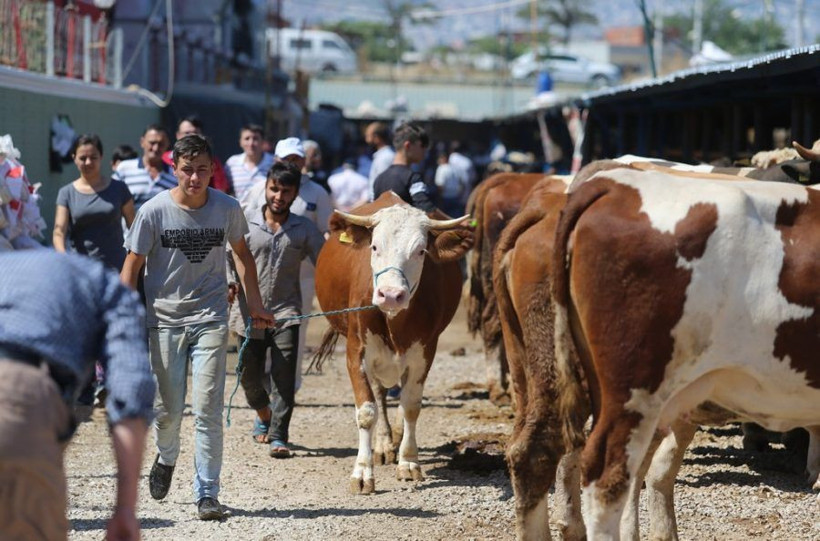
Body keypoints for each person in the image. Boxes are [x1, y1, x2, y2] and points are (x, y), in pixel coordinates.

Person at [120, 134, 275, 520]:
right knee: (169, 409)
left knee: (207, 407)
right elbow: (132, 267)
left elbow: (243, 256)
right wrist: (120, 319)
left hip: (210, 317)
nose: (195, 178)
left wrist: (254, 305)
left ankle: (207, 492)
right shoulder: (153, 212)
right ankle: (167, 455)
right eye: (187, 170)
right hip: (164, 320)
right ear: (175, 169)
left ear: (212, 170)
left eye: (202, 170)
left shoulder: (226, 208)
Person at [0, 250, 154, 541]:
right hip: (18, 404)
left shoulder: (7, 266)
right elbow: (130, 391)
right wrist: (125, 508)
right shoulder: (110, 290)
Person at [229, 161, 324, 457]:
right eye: (274, 189)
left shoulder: (304, 229)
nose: (278, 196)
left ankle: (279, 435)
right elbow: (228, 255)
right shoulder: (245, 221)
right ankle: (263, 413)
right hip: (248, 313)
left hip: (287, 313)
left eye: (286, 191)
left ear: (295, 194)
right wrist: (230, 282)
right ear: (266, 187)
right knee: (248, 375)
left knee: (283, 378)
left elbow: (326, 262)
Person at [245, 137, 332, 391]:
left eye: (297, 158)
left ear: (304, 161)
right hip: (260, 274)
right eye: (287, 159)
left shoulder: (318, 193)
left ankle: (287, 388)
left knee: (295, 332)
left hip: (302, 277)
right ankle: (262, 388)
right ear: (276, 160)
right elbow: (244, 226)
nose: (292, 163)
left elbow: (327, 231)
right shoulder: (260, 188)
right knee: (259, 332)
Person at [53, 134, 135, 271]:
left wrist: (134, 261)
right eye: (82, 158)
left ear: (101, 157)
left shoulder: (119, 188)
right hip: (80, 268)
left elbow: (134, 227)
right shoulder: (66, 193)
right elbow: (59, 231)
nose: (88, 162)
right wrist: (63, 258)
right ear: (74, 158)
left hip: (117, 268)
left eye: (93, 157)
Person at [373, 121, 435, 212]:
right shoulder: (412, 178)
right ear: (408, 145)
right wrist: (456, 222)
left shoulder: (378, 179)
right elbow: (428, 210)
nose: (424, 152)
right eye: (422, 146)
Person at [163, 115, 233, 195]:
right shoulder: (163, 159)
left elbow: (221, 192)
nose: (191, 136)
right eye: (187, 133)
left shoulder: (212, 161)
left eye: (196, 133)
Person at [113, 124, 176, 212]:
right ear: (142, 142)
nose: (155, 148)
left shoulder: (175, 175)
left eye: (161, 144)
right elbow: (112, 200)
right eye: (152, 143)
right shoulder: (124, 169)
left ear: (168, 145)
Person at [224, 123, 274, 204]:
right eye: (247, 139)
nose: (251, 143)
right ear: (240, 142)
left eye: (255, 139)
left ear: (263, 142)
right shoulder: (231, 163)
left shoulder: (274, 163)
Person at [365, 121, 395, 200]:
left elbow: (383, 186)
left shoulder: (385, 157)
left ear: (376, 137)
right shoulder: (381, 156)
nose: (366, 140)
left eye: (368, 136)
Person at [434, 148, 466, 217]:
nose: (438, 160)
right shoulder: (456, 168)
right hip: (456, 197)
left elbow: (440, 185)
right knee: (456, 218)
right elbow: (462, 184)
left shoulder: (441, 168)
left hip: (446, 198)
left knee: (446, 219)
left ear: (444, 158)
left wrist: (439, 198)